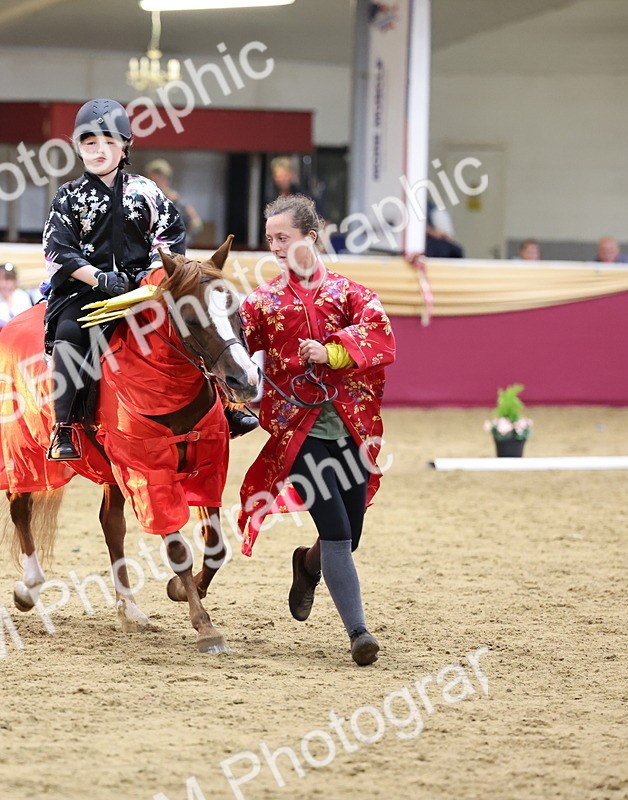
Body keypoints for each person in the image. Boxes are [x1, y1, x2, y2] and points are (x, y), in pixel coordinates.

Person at [42, 99, 259, 461]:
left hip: (147, 287)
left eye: (108, 142)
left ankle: (230, 405)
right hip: (87, 293)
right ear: (78, 147)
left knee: (202, 322)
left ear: (125, 146)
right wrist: (98, 277)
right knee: (69, 334)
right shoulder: (68, 197)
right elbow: (58, 251)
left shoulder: (146, 191)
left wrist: (149, 276)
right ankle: (64, 427)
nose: (99, 150)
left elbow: (170, 238)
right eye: (90, 143)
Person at [237, 194, 396, 667]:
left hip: (351, 427)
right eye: (271, 240)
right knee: (339, 534)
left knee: (348, 537)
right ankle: (359, 633)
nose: (276, 247)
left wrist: (333, 353)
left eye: (283, 237)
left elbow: (382, 336)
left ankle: (306, 565)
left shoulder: (351, 294)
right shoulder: (260, 303)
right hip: (298, 431)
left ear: (311, 235)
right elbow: (230, 348)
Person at [146, 159, 204, 244]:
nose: (156, 183)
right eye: (152, 179)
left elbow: (197, 224)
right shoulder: (145, 201)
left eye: (159, 179)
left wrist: (184, 241)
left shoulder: (178, 201)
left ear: (167, 180)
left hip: (173, 248)